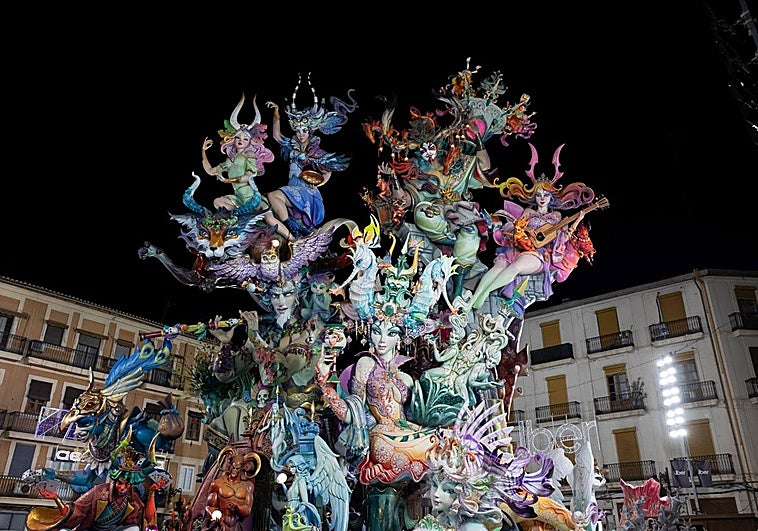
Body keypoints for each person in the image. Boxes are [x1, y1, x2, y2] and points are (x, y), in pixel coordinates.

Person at [467, 143, 596, 311]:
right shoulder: (528, 212)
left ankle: (485, 293)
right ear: (534, 197)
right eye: (539, 195)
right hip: (518, 248)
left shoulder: (556, 217)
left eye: (546, 195)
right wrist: (515, 230)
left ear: (551, 198)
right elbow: (518, 226)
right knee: (498, 266)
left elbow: (562, 238)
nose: (542, 198)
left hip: (538, 254)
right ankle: (473, 300)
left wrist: (578, 220)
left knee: (516, 266)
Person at [263, 73, 357, 241]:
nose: (301, 134)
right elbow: (276, 136)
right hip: (292, 188)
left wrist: (318, 183)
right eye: (298, 130)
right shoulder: (291, 145)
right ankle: (295, 231)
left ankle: (292, 226)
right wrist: (276, 113)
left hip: (305, 191)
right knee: (273, 203)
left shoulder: (315, 151)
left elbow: (328, 171)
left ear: (310, 130)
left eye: (304, 130)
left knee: (273, 195)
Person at [201, 94, 275, 211]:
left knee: (269, 218)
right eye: (238, 138)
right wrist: (203, 151)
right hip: (238, 198)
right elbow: (210, 171)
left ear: (250, 142)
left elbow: (249, 177)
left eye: (245, 139)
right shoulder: (229, 160)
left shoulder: (249, 154)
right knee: (217, 202)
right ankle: (237, 217)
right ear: (233, 139)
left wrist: (227, 180)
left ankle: (289, 228)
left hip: (250, 196)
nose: (241, 141)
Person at [204, 446, 261, 531]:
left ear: (243, 468)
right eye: (233, 467)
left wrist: (237, 507)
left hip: (236, 526)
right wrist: (214, 515)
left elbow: (247, 510)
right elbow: (210, 506)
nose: (234, 470)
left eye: (237, 468)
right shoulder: (217, 483)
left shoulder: (248, 486)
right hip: (220, 524)